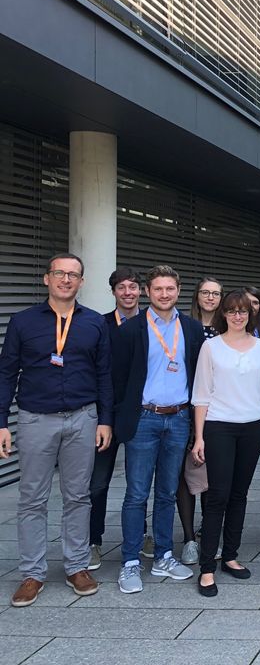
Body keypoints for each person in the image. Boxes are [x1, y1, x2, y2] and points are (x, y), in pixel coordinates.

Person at [0, 253, 112, 607]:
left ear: (81, 282)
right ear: (47, 279)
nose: (66, 279)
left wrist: (105, 419)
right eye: (59, 273)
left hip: (83, 417)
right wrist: (1, 421)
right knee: (32, 498)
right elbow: (6, 373)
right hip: (35, 419)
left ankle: (76, 566)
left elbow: (104, 375)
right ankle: (32, 573)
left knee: (78, 496)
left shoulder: (94, 323)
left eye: (73, 275)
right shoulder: (22, 322)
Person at [113, 265, 205, 594]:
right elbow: (118, 380)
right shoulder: (130, 330)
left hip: (179, 418)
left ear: (178, 291)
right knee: (137, 494)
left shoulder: (192, 329)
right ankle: (129, 562)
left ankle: (164, 555)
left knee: (167, 492)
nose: (164, 294)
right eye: (157, 289)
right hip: (144, 418)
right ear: (147, 292)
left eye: (170, 289)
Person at [191, 290, 260, 596]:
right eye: (232, 311)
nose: (238, 316)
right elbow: (201, 394)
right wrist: (199, 437)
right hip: (219, 427)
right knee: (218, 496)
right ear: (223, 314)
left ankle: (230, 556)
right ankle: (206, 567)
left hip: (253, 428)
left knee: (240, 495)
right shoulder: (211, 347)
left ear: (250, 314)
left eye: (243, 311)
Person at [89, 265, 143, 571]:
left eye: (133, 287)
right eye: (121, 287)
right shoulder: (100, 325)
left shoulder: (152, 325)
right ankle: (93, 541)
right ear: (113, 292)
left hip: (140, 416)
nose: (128, 292)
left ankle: (142, 535)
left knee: (140, 483)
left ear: (140, 291)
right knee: (97, 482)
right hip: (106, 415)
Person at [175, 275, 223, 565]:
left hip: (216, 411)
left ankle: (209, 532)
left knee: (209, 475)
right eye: (205, 292)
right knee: (185, 475)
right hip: (184, 407)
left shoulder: (226, 329)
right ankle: (188, 538)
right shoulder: (182, 327)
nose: (210, 298)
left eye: (216, 293)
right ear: (196, 296)